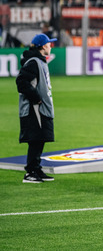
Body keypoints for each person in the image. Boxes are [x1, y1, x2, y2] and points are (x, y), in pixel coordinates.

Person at [16, 33, 58, 183]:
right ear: (42, 46)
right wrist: (36, 99)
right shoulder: (33, 62)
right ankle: (30, 172)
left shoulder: (39, 61)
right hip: (34, 109)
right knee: (36, 139)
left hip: (40, 108)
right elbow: (21, 82)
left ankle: (36, 167)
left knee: (40, 138)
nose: (51, 46)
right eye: (49, 44)